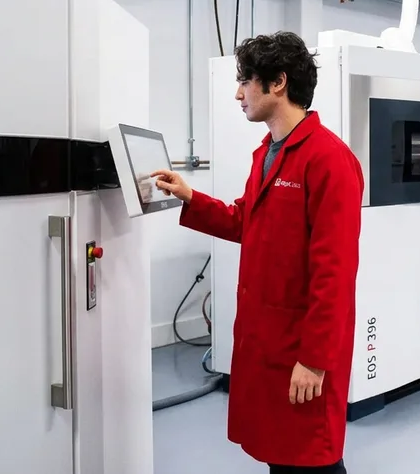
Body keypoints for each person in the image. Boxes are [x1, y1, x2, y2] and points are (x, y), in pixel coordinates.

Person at [151, 32, 363, 473]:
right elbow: (244, 220)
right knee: (281, 457)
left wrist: (314, 359)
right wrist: (190, 196)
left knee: (313, 459)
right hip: (266, 340)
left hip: (300, 347)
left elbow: (335, 273)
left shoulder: (328, 160)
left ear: (278, 82)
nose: (238, 93)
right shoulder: (268, 154)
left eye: (245, 80)